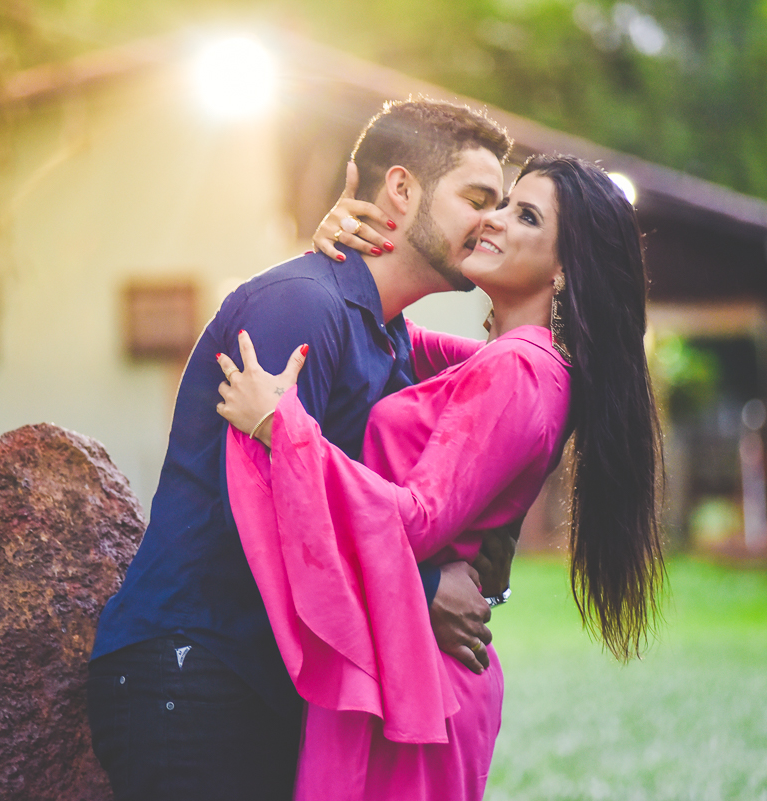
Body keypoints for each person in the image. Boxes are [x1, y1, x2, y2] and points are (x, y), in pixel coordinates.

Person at [86, 98, 516, 801]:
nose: (493, 221)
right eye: (478, 198)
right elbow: (260, 515)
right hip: (193, 673)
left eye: (505, 207)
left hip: (265, 686)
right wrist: (426, 591)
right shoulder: (300, 306)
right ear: (401, 191)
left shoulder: (392, 339)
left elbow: (520, 379)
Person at [214, 154, 665, 800]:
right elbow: (389, 329)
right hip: (410, 658)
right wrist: (351, 250)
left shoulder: (521, 372)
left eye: (525, 215)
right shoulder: (515, 364)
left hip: (420, 680)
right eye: (503, 203)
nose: (494, 220)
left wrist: (278, 428)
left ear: (565, 270)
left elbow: (417, 518)